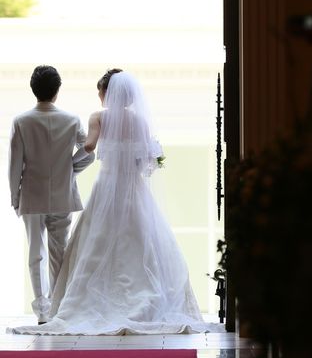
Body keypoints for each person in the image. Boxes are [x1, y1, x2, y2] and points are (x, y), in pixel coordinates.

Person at [10, 69, 222, 335]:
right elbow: (145, 159)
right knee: (138, 241)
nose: (99, 96)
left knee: (83, 244)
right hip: (133, 188)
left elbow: (88, 147)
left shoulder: (98, 117)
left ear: (107, 93)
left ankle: (52, 307)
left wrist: (64, 167)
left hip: (102, 188)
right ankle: (139, 297)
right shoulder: (139, 121)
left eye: (100, 91)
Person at [9, 65, 95, 324]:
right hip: (62, 195)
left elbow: (15, 165)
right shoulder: (71, 120)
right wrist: (70, 169)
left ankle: (42, 312)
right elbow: (88, 152)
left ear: (33, 89)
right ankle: (58, 307)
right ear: (57, 91)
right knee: (60, 251)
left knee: (36, 253)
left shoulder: (21, 121)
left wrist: (15, 198)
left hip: (31, 196)